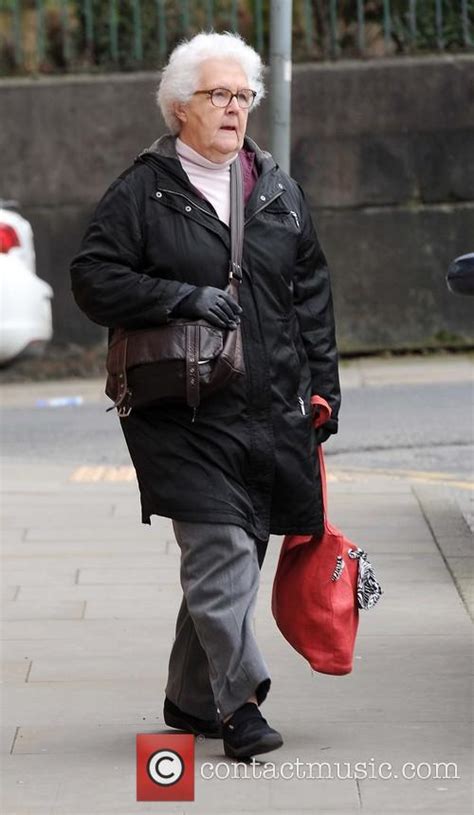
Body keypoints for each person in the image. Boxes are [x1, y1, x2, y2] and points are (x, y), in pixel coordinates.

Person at [70, 31, 341, 761]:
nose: (233, 109)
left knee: (237, 552)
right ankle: (240, 705)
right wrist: (179, 296)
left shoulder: (278, 189)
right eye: (217, 94)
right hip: (179, 410)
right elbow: (93, 277)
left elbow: (310, 293)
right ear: (180, 107)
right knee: (221, 542)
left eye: (242, 95)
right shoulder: (145, 190)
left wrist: (324, 390)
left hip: (268, 406)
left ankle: (188, 697)